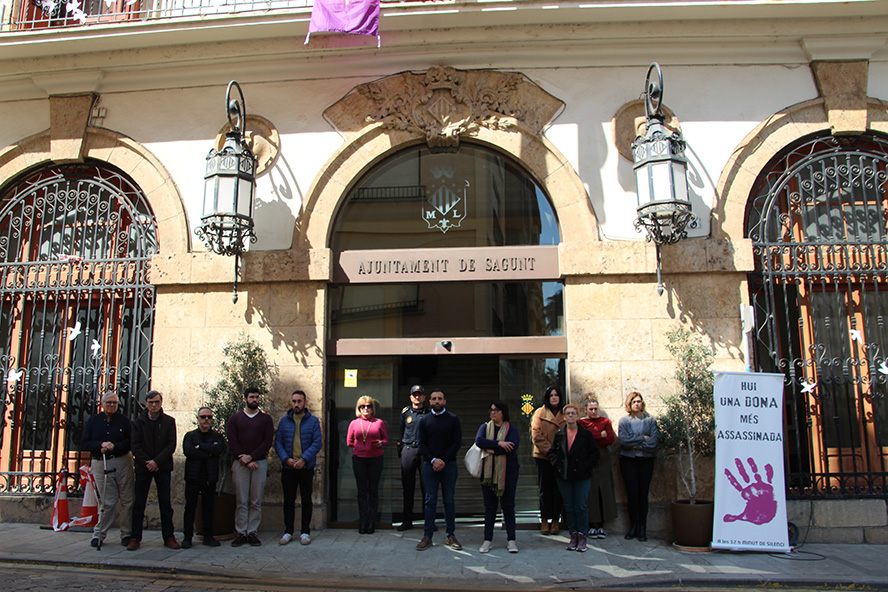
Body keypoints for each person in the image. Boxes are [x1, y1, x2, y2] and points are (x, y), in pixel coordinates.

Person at [80, 392, 134, 548]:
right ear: (102, 404)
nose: (112, 405)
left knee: (127, 499)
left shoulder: (124, 421)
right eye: (109, 402)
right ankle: (99, 534)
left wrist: (115, 446)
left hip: (122, 461)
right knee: (107, 500)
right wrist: (100, 446)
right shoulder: (94, 421)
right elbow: (85, 442)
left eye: (115, 403)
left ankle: (126, 534)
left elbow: (130, 442)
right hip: (101, 461)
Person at [129, 390, 179, 550]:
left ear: (161, 402)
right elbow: (135, 446)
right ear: (146, 404)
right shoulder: (137, 423)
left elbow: (171, 444)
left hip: (162, 466)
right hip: (144, 468)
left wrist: (157, 461)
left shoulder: (169, 421)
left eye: (156, 402)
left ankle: (169, 537)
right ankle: (135, 537)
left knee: (165, 503)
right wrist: (147, 462)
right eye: (151, 402)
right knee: (139, 503)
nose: (154, 405)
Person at [227, 386, 275, 547]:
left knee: (255, 500)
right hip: (240, 463)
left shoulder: (266, 419)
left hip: (259, 463)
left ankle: (252, 532)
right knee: (241, 500)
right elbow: (232, 440)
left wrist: (252, 457)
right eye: (251, 397)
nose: (254, 400)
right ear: (245, 399)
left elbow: (267, 441)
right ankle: (241, 532)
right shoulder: (235, 419)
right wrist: (245, 458)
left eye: (256, 397)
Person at [416, 389, 462, 551]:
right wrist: (434, 460)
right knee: (430, 501)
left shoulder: (453, 419)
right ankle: (427, 536)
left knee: (449, 500)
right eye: (434, 398)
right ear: (430, 402)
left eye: (439, 399)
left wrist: (443, 460)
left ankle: (451, 535)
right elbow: (421, 444)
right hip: (430, 465)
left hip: (449, 465)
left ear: (444, 401)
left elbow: (456, 443)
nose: (437, 401)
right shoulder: (424, 421)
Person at [549, 403, 599, 552]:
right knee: (569, 506)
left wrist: (585, 466)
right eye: (568, 413)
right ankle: (573, 535)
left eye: (573, 413)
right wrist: (556, 465)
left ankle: (582, 535)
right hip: (564, 475)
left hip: (581, 476)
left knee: (581, 505)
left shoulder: (586, 434)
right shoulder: (559, 434)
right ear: (564, 417)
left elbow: (595, 454)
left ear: (577, 415)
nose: (570, 416)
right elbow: (552, 452)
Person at [275, 389, 322, 545]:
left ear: (305, 403)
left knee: (306, 500)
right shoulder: (284, 422)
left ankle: (305, 532)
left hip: (306, 468)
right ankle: (288, 531)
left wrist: (304, 459)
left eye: (299, 401)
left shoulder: (313, 421)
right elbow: (278, 443)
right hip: (288, 468)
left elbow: (317, 443)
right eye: (294, 401)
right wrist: (286, 459)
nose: (296, 404)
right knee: (288, 501)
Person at [475, 401, 520, 554]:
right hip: (488, 473)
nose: (492, 413)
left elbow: (512, 447)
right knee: (490, 507)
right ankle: (488, 540)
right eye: (491, 410)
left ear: (503, 412)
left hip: (508, 472)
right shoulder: (484, 427)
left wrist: (492, 449)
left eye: (496, 410)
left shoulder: (511, 429)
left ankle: (511, 540)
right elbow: (479, 441)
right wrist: (499, 443)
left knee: (508, 506)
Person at [182, 406, 225, 548]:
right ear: (198, 419)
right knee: (190, 508)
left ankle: (208, 536)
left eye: (209, 417)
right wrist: (208, 451)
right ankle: (187, 537)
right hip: (193, 477)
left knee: (209, 508)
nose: (206, 419)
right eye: (203, 417)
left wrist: (199, 447)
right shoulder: (190, 436)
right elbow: (189, 452)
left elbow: (218, 450)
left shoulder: (217, 436)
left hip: (209, 477)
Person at [618, 391, 659, 542]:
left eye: (639, 401)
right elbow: (623, 441)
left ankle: (643, 527)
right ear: (629, 404)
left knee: (643, 495)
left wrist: (635, 444)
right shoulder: (624, 421)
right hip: (628, 461)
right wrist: (642, 439)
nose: (637, 404)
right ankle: (633, 526)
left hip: (646, 461)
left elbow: (653, 442)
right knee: (632, 494)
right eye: (634, 401)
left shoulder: (650, 420)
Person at [346, 395, 388, 534]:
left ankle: (372, 522)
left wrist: (380, 443)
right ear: (359, 408)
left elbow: (386, 440)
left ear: (372, 409)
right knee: (362, 491)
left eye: (368, 406)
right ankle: (363, 521)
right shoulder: (354, 423)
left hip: (376, 458)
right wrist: (361, 446)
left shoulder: (379, 423)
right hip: (359, 459)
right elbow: (349, 441)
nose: (366, 409)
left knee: (373, 491)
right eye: (362, 406)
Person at [578, 395, 616, 539]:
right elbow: (583, 439)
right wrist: (599, 435)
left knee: (604, 491)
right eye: (591, 409)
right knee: (591, 492)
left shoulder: (605, 421)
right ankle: (592, 524)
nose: (594, 411)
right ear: (586, 409)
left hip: (603, 459)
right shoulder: (581, 423)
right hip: (588, 459)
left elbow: (610, 439)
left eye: (596, 409)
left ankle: (601, 525)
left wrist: (594, 437)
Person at [531, 385, 566, 535]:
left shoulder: (565, 413)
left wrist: (559, 453)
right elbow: (536, 435)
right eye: (551, 395)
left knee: (558, 490)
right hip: (543, 457)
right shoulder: (539, 412)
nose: (554, 397)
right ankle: (544, 519)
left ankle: (556, 521)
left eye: (556, 395)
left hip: (561, 457)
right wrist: (551, 451)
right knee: (545, 489)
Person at [397, 384, 430, 531]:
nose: (417, 397)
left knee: (427, 487)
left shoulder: (429, 413)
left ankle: (428, 521)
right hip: (409, 448)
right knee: (408, 487)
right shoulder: (405, 413)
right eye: (414, 394)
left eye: (420, 394)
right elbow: (401, 431)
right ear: (410, 397)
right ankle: (407, 520)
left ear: (424, 397)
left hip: (424, 451)